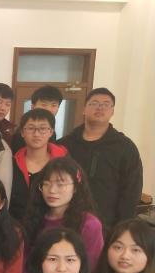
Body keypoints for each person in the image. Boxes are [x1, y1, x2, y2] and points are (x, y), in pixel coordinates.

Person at [59, 87, 143, 229]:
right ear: (84, 109)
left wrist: (122, 227)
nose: (100, 108)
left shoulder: (125, 147)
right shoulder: (66, 144)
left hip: (107, 225)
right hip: (66, 222)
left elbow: (132, 190)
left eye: (106, 104)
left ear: (112, 111)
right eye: (94, 103)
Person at [23, 157, 104, 273]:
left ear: (75, 188)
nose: (52, 190)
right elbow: (24, 265)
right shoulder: (33, 218)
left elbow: (89, 269)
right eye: (46, 184)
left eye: (60, 185)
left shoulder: (89, 224)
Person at [9, 108, 68, 220]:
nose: (36, 134)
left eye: (43, 128)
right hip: (16, 225)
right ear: (22, 132)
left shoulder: (64, 163)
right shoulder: (12, 163)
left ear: (51, 132)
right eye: (31, 128)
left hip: (53, 224)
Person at [11, 85, 62, 153]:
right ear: (33, 106)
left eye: (53, 105)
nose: (49, 109)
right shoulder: (23, 133)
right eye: (44, 105)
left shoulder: (51, 131)